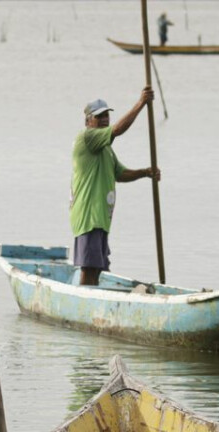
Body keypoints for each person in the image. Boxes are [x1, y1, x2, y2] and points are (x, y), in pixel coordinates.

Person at [69, 88, 160, 286]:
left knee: (98, 269)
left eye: (106, 116)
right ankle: (87, 303)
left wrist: (145, 172)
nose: (104, 120)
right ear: (88, 121)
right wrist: (140, 103)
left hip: (101, 218)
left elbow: (120, 174)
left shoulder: (106, 149)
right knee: (89, 267)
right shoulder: (88, 138)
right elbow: (118, 130)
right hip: (89, 216)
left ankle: (93, 299)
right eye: (99, 116)